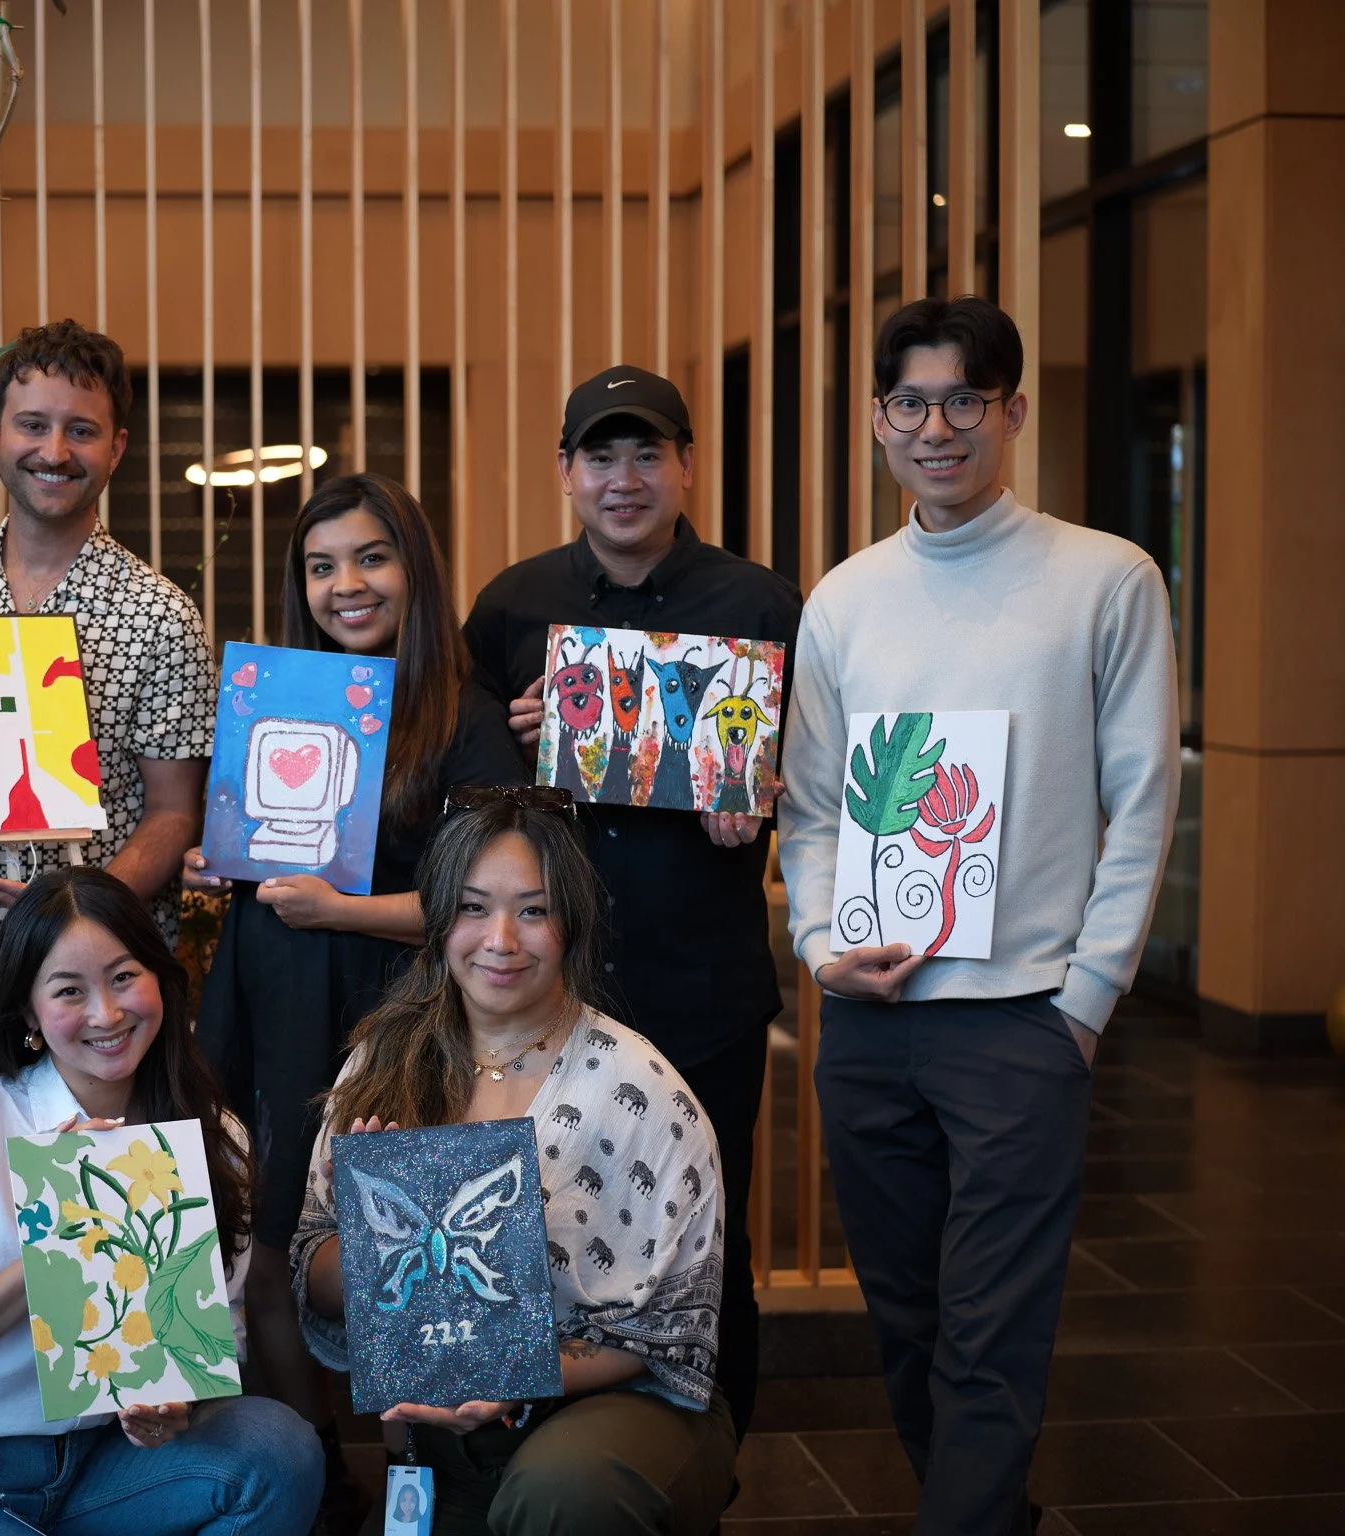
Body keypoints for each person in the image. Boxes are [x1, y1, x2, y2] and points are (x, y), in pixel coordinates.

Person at [778, 296, 1179, 1535]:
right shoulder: (844, 599)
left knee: (991, 1333)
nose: (935, 426)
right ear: (877, 422)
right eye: (909, 402)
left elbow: (1142, 797)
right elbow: (807, 814)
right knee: (905, 1320)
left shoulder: (1104, 577)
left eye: (963, 400)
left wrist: (1083, 1001)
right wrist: (818, 948)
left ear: (1010, 412)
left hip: (1020, 1026)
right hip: (871, 1023)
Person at [460, 367, 802, 1436]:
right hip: (538, 995)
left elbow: (808, 774)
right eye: (599, 456)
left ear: (686, 466)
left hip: (698, 985)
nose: (623, 479)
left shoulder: (757, 604)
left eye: (646, 454)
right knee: (530, 1218)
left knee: (706, 1234)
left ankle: (707, 1456)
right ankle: (518, 1432)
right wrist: (514, 759)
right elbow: (465, 799)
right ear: (564, 472)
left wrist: (758, 799)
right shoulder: (512, 605)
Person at [186, 474, 525, 1469]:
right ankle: (317, 1473)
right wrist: (223, 861)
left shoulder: (463, 714)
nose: (347, 585)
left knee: (397, 1258)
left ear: (412, 568)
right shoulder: (276, 699)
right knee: (266, 1248)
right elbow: (257, 854)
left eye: (370, 557)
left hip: (397, 1012)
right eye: (321, 564)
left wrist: (338, 909)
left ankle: (419, 1486)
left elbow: (478, 903)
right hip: (271, 994)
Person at [292, 794, 738, 1536]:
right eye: (473, 907)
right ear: (438, 920)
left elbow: (674, 1330)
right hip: (443, 1441)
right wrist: (365, 1241)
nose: (500, 940)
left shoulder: (641, 1089)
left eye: (533, 911)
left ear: (573, 926)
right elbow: (315, 1273)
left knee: (560, 1496)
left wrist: (514, 1374)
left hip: (609, 1413)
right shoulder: (383, 1061)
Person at [0, 866, 325, 1534]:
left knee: (276, 1449)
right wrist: (60, 1236)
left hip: (101, 1466)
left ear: (162, 979)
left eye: (125, 977)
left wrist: (170, 1403)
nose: (106, 1013)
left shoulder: (215, 1138)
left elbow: (212, 1339)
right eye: (70, 991)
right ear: (30, 1015)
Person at [0, 320, 216, 1107]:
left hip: (106, 991)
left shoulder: (160, 614)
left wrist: (66, 911)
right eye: (33, 423)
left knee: (100, 1205)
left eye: (81, 430)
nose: (54, 450)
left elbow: (172, 816)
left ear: (116, 447)